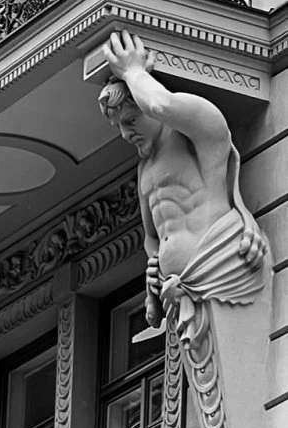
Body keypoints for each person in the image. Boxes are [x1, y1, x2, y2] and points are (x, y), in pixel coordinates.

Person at [98, 31, 267, 337]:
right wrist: (154, 270)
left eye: (131, 121)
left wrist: (132, 71)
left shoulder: (200, 131)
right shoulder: (145, 168)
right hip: (178, 293)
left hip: (221, 269)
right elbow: (152, 236)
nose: (125, 134)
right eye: (119, 126)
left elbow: (161, 106)